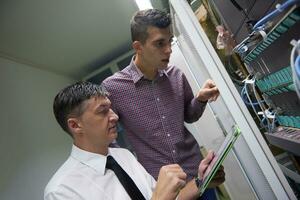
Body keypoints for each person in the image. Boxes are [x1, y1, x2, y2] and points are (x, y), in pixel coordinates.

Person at [102, 9, 220, 199]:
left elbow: (189, 115)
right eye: (159, 43)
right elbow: (109, 140)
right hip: (162, 187)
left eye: (169, 41)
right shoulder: (113, 88)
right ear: (138, 47)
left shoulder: (176, 76)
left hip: (198, 174)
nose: (168, 49)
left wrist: (200, 99)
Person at [44, 81, 225, 200]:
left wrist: (202, 181)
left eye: (111, 109)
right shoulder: (61, 191)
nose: (114, 116)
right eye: (102, 111)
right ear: (75, 125)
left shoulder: (124, 156)